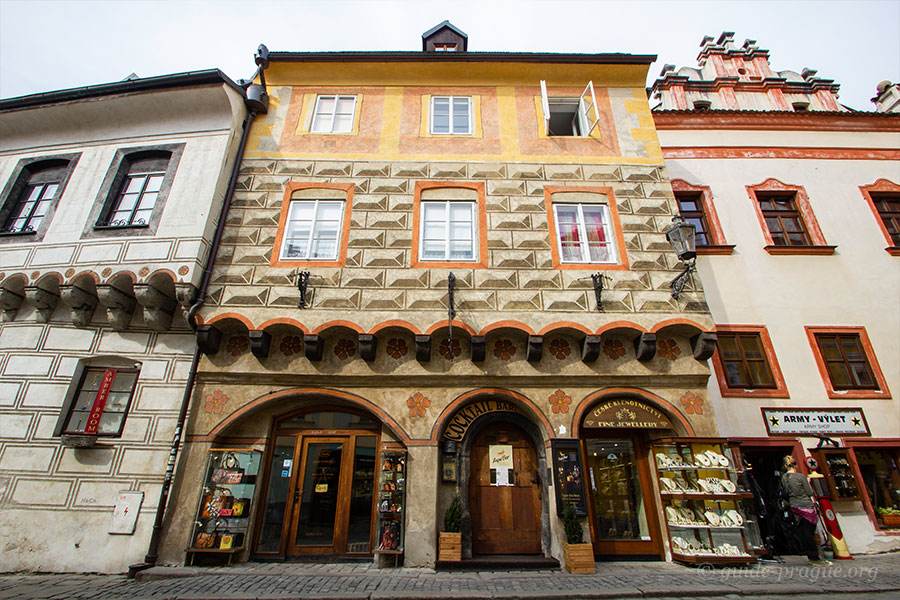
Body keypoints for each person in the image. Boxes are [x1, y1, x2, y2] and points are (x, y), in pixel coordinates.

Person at [781, 455, 831, 566]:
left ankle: (810, 555)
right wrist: (807, 482)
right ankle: (815, 557)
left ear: (785, 466)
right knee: (809, 532)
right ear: (796, 465)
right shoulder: (801, 477)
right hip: (806, 506)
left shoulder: (784, 477)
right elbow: (809, 492)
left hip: (794, 506)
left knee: (803, 532)